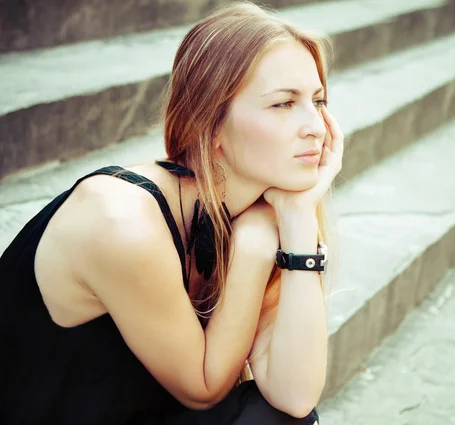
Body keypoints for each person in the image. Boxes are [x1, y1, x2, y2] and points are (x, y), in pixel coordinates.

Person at [0, 1, 344, 424]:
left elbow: (294, 396)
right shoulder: (121, 221)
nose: (316, 125)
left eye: (318, 100)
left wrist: (297, 220)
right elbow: (203, 390)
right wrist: (254, 247)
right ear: (211, 125)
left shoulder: (255, 207)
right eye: (283, 104)